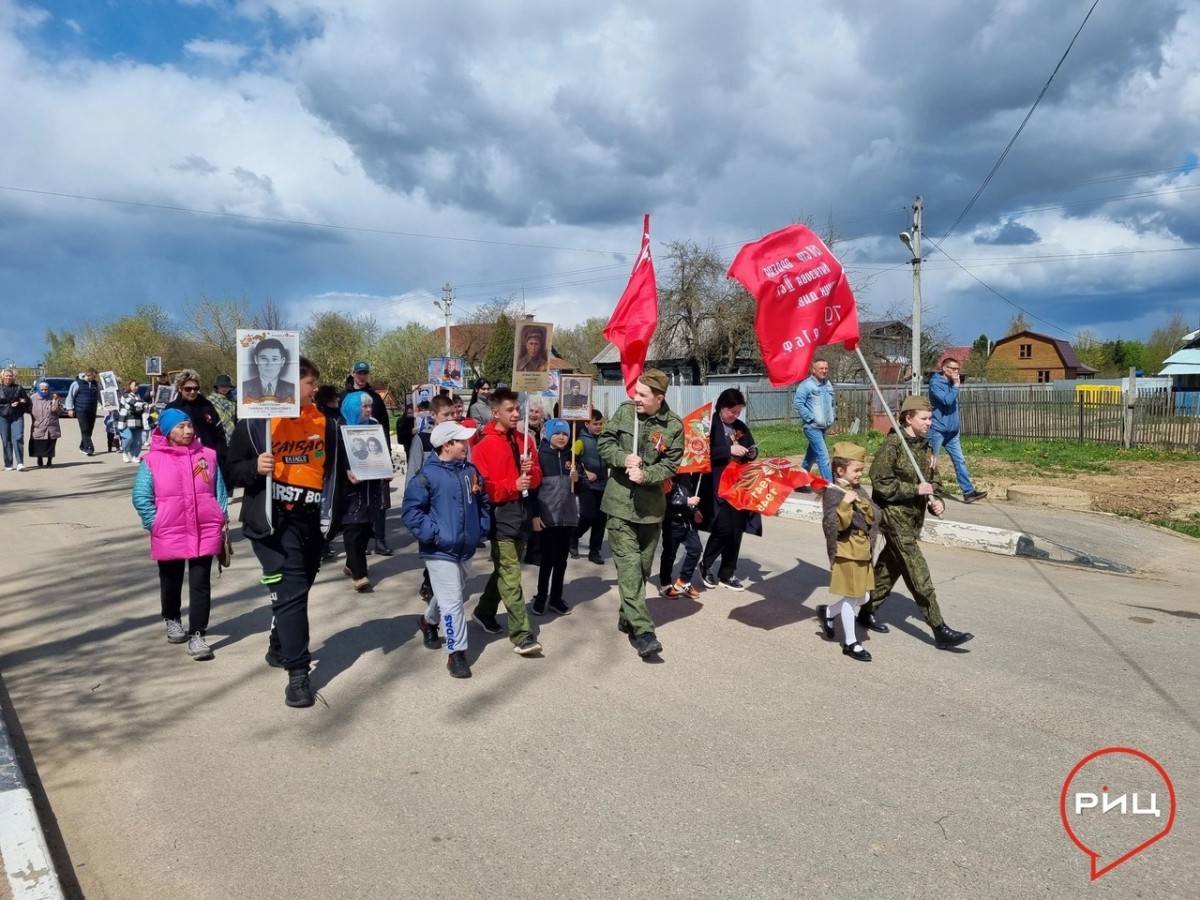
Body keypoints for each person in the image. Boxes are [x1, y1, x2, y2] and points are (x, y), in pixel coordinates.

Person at [227, 356, 341, 709]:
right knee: (291, 591)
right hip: (273, 524)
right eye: (309, 382)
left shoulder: (327, 423)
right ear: (290, 385)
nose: (315, 388)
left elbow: (335, 472)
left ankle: (279, 644)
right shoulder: (255, 424)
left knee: (299, 590)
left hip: (311, 523)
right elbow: (230, 470)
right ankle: (298, 674)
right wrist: (253, 467)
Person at [859, 395, 974, 650]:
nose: (930, 423)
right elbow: (880, 482)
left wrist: (937, 500)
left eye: (931, 418)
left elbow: (934, 481)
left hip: (914, 520)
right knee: (917, 571)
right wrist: (914, 489)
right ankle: (939, 628)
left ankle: (866, 611)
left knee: (891, 567)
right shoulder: (893, 445)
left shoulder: (925, 447)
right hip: (894, 517)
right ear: (908, 418)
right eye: (925, 418)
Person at [131, 408, 229, 661]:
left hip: (205, 527)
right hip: (169, 529)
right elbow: (141, 497)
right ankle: (172, 618)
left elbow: (219, 491)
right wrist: (156, 523)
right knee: (171, 579)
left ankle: (198, 635)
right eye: (180, 427)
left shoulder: (207, 456)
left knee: (201, 583)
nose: (187, 431)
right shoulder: (152, 461)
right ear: (166, 431)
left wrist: (219, 517)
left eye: (189, 426)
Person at [598, 369, 683, 658]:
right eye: (636, 392)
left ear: (659, 398)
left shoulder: (673, 426)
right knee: (630, 568)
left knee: (644, 569)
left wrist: (646, 475)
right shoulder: (625, 413)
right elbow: (604, 444)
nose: (636, 398)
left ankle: (628, 614)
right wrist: (623, 458)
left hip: (650, 511)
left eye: (643, 395)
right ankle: (644, 632)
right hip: (619, 506)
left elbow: (671, 465)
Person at [400, 421, 491, 679]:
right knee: (453, 603)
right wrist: (435, 535)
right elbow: (412, 512)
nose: (466, 445)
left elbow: (482, 500)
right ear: (446, 445)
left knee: (451, 593)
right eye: (461, 441)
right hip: (439, 550)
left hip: (466, 547)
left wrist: (481, 527)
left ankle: (428, 621)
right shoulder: (427, 476)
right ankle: (457, 653)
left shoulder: (470, 471)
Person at [471, 387, 544, 656]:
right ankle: (522, 634)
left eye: (517, 409)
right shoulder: (483, 445)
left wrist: (530, 471)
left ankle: (484, 610)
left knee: (505, 570)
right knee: (511, 576)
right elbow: (483, 488)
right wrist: (512, 484)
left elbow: (536, 479)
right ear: (495, 412)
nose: (516, 414)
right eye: (510, 410)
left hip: (523, 512)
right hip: (500, 516)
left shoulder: (527, 441)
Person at [816, 443, 880, 662]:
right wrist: (844, 505)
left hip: (863, 551)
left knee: (865, 596)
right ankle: (851, 643)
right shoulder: (833, 493)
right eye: (856, 470)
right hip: (847, 551)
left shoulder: (859, 490)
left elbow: (874, 516)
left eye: (861, 470)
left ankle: (828, 612)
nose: (860, 474)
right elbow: (832, 525)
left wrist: (864, 505)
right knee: (852, 598)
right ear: (840, 471)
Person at [698, 388, 759, 591]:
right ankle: (706, 564)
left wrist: (751, 453)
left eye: (738, 412)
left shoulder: (740, 427)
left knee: (736, 530)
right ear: (722, 407)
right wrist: (727, 450)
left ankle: (727, 572)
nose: (735, 416)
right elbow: (700, 453)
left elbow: (751, 446)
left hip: (739, 485)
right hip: (716, 483)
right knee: (722, 527)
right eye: (732, 411)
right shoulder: (708, 425)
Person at [337, 391, 387, 592]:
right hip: (349, 488)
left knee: (366, 527)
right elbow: (332, 458)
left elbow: (380, 450)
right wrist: (345, 471)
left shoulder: (373, 424)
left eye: (369, 406)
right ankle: (360, 574)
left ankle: (351, 563)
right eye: (364, 407)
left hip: (370, 486)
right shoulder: (338, 427)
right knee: (353, 529)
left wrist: (386, 468)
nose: (369, 410)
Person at [530, 418, 579, 617]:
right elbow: (533, 489)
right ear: (548, 434)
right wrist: (534, 515)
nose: (561, 437)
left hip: (567, 517)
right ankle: (541, 596)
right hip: (547, 517)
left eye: (565, 434)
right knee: (547, 560)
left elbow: (581, 487)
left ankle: (556, 598)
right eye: (557, 433)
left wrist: (579, 479)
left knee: (561, 561)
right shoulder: (540, 456)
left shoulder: (573, 457)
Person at [928, 357, 988, 504]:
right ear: (944, 369)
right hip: (937, 430)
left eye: (958, 369)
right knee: (931, 462)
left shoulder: (951, 383)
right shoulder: (935, 383)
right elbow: (946, 401)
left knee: (960, 461)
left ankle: (968, 492)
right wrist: (955, 386)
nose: (956, 372)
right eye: (953, 369)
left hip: (952, 432)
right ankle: (926, 491)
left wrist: (954, 385)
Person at [166, 370, 229, 479]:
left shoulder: (207, 405)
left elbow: (219, 432)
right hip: (183, 460)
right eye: (188, 389)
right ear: (180, 388)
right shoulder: (172, 408)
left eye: (196, 388)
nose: (192, 392)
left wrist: (221, 455)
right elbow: (165, 438)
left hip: (209, 458)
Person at [658, 472, 703, 599]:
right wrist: (687, 501)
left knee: (696, 549)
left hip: (687, 520)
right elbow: (666, 497)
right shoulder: (666, 472)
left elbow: (687, 492)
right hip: (671, 520)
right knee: (669, 553)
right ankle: (665, 584)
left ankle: (683, 581)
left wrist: (694, 509)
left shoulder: (686, 474)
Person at [572, 409, 608, 563]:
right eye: (595, 424)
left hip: (603, 484)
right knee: (588, 516)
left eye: (600, 424)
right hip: (586, 485)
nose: (598, 427)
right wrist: (585, 473)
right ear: (587, 424)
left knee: (601, 519)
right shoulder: (580, 441)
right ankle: (574, 536)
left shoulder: (605, 439)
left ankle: (595, 551)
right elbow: (571, 461)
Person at [792, 358, 835, 482]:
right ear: (814, 369)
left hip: (823, 428)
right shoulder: (806, 385)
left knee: (812, 455)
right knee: (823, 456)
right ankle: (830, 487)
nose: (824, 371)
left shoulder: (828, 384)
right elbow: (798, 404)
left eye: (826, 368)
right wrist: (810, 418)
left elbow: (832, 404)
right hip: (812, 427)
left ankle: (798, 482)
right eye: (821, 368)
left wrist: (831, 417)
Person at [241, 337, 296, 404]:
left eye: (274, 359)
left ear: (282, 361)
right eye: (264, 358)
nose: (269, 364)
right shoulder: (244, 387)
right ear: (256, 360)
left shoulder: (293, 389)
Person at [64, 368, 100, 455]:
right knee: (85, 430)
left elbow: (99, 396)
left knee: (89, 430)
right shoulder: (77, 383)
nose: (95, 378)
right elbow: (70, 397)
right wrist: (70, 409)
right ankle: (89, 448)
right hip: (81, 410)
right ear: (88, 375)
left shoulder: (95, 384)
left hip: (92, 409)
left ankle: (82, 447)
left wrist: (107, 405)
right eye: (93, 377)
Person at [0, 368, 30, 471]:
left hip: (17, 416)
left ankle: (20, 463)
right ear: (2, 376)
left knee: (18, 437)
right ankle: (8, 464)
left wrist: (19, 402)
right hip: (3, 417)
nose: (8, 377)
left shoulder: (19, 388)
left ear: (13, 377)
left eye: (10, 376)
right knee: (6, 440)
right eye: (6, 375)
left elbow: (26, 400)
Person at [27, 382, 62, 467]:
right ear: (38, 389)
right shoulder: (33, 398)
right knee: (39, 443)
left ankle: (49, 461)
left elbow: (62, 410)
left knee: (51, 443)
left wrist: (57, 409)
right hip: (39, 425)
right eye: (42, 389)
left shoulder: (54, 397)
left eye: (46, 389)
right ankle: (40, 458)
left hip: (52, 425)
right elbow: (27, 409)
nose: (44, 391)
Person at [118, 379, 148, 463]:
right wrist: (143, 406)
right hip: (125, 420)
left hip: (137, 420)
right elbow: (133, 404)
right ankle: (125, 451)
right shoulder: (125, 395)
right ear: (129, 386)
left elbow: (143, 404)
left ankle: (135, 455)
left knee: (138, 441)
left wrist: (145, 406)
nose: (136, 387)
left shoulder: (138, 395)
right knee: (129, 437)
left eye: (137, 386)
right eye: (135, 385)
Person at [209, 374, 237, 439]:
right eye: (222, 386)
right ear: (217, 386)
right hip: (216, 435)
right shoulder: (210, 400)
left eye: (227, 386)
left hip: (232, 436)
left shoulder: (232, 402)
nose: (225, 388)